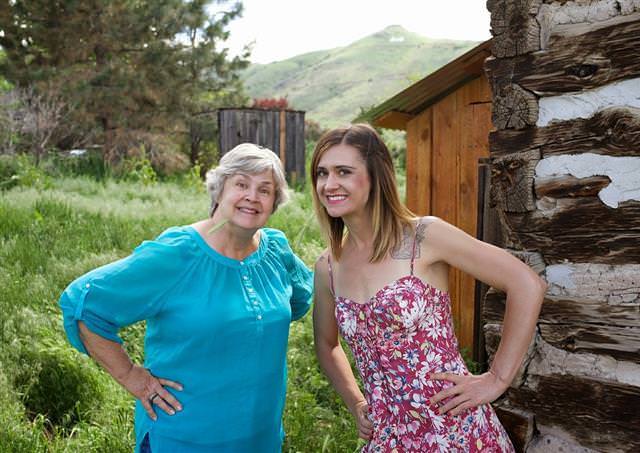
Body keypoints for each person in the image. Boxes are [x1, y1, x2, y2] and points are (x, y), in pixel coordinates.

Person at [59, 143, 313, 453]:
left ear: (275, 202)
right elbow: (85, 303)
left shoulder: (275, 250)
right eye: (241, 184)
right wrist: (130, 376)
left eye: (264, 189)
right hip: (185, 436)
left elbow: (299, 299)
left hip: (260, 436)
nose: (252, 196)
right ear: (219, 190)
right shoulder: (177, 254)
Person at [311, 124, 546, 452]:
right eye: (322, 173)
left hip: (456, 432)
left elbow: (526, 283)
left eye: (343, 172)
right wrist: (355, 403)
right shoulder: (327, 267)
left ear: (376, 175)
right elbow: (325, 343)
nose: (329, 184)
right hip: (388, 438)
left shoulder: (423, 237)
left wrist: (497, 379)